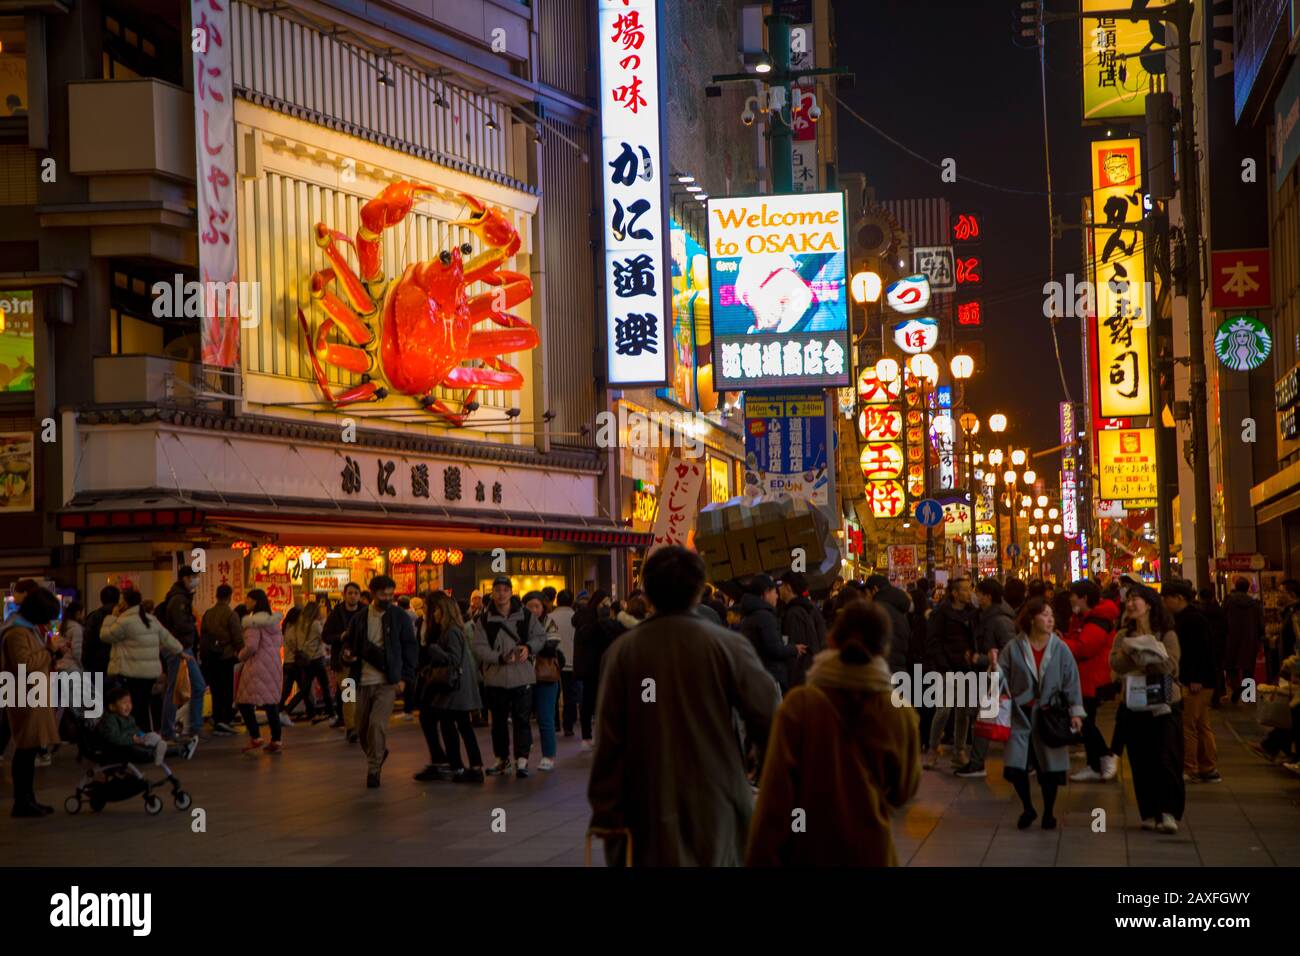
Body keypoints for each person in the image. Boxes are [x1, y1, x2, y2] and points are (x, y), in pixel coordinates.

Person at [588, 546, 779, 866]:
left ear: (647, 593)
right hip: (717, 797)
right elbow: (770, 717)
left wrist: (606, 810)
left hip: (644, 802)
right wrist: (761, 770)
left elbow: (608, 739)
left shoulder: (623, 652)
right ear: (698, 590)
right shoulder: (728, 646)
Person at [747, 600, 921, 865]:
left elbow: (775, 798)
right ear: (884, 648)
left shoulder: (799, 706)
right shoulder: (898, 712)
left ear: (831, 640)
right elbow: (902, 791)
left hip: (808, 850)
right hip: (872, 850)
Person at [996, 597, 1085, 830]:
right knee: (1015, 766)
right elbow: (1000, 676)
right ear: (1031, 619)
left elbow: (1071, 681)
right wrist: (994, 670)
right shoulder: (1014, 647)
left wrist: (1076, 712)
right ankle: (1028, 807)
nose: (1049, 619)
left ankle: (1048, 812)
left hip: (1050, 713)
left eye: (1051, 615)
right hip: (1020, 713)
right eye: (1044, 615)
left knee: (1050, 767)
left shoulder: (1060, 648)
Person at [1110, 584, 1184, 834]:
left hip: (1164, 703)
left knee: (1166, 757)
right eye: (1128, 600)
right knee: (1140, 760)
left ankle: (1169, 812)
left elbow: (1170, 667)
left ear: (1150, 604)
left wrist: (1139, 655)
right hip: (1135, 702)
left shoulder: (1167, 634)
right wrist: (1141, 653)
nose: (1130, 604)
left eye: (1136, 599)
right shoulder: (1122, 634)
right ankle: (1149, 811)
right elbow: (1116, 664)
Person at [343, 575, 418, 787]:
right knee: (361, 728)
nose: (387, 598)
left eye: (390, 594)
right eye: (383, 594)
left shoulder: (399, 617)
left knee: (377, 725)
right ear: (373, 593)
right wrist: (347, 655)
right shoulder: (359, 618)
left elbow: (410, 647)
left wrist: (405, 678)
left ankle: (373, 769)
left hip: (387, 680)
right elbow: (349, 641)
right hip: (361, 680)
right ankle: (378, 752)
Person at [470, 576, 547, 777]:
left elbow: (540, 637)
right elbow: (478, 647)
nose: (501, 594)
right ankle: (501, 759)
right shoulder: (484, 620)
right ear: (492, 593)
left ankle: (522, 760)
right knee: (499, 722)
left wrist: (528, 648)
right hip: (495, 678)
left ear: (511, 592)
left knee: (522, 720)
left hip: (522, 677)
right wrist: (498, 657)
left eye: (505, 590)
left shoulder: (526, 615)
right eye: (498, 590)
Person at [1, 587, 62, 816]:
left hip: (32, 694)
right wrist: (48, 651)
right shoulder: (16, 633)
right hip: (24, 696)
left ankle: (28, 798)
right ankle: (22, 800)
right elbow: (24, 665)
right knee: (25, 749)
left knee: (30, 748)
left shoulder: (27, 630)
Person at [416, 590, 484, 783]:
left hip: (454, 689)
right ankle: (466, 767)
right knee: (458, 727)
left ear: (442, 611)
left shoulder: (451, 631)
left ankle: (463, 767)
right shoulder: (454, 629)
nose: (432, 615)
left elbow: (453, 660)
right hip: (456, 688)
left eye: (435, 611)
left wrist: (435, 651)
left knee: (455, 727)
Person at [953, 578, 1018, 779]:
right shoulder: (984, 616)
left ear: (987, 597)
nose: (975, 595)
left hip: (998, 679)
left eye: (978, 592)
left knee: (1003, 721)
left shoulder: (1000, 620)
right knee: (984, 721)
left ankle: (1023, 762)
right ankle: (977, 762)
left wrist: (980, 658)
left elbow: (1009, 650)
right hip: (987, 677)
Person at [1162, 580, 1220, 783]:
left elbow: (1200, 651)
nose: (1164, 602)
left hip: (1196, 681)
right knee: (1202, 725)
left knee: (1188, 725)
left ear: (1178, 598)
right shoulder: (1189, 617)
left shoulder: (1191, 620)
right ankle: (1208, 767)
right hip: (1204, 680)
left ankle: (1190, 767)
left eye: (1166, 598)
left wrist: (1196, 678)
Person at [1062, 579, 1120, 782]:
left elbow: (1085, 647)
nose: (1070, 598)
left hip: (1091, 677)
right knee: (1084, 721)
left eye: (1073, 595)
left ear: (1084, 598)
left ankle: (1106, 755)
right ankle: (1094, 764)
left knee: (1085, 721)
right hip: (1084, 677)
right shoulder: (1083, 617)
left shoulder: (1097, 619)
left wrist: (1061, 642)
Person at [102, 589, 183, 732]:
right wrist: (180, 651)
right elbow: (167, 638)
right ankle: (147, 736)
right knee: (143, 706)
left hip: (131, 672)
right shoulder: (151, 619)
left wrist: (111, 617)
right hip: (150, 674)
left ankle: (139, 737)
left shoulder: (123, 621)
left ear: (125, 603)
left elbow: (105, 636)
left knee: (133, 708)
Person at [923, 576, 978, 768]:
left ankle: (959, 750)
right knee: (944, 710)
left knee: (963, 712)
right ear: (954, 593)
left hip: (966, 667)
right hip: (946, 668)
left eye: (970, 589)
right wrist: (943, 665)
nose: (969, 592)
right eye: (965, 589)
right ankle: (933, 749)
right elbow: (933, 641)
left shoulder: (972, 613)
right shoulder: (942, 613)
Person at [159, 566, 206, 740]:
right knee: (176, 689)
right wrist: (192, 623)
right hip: (178, 648)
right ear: (185, 578)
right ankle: (172, 729)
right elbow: (180, 624)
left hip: (180, 647)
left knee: (192, 687)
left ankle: (192, 726)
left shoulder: (179, 597)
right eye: (194, 577)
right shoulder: (178, 599)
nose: (196, 580)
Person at [98, 685, 198, 766]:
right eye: (124, 703)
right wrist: (133, 739)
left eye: (130, 702)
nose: (128, 706)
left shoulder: (128, 718)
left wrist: (141, 735)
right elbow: (113, 737)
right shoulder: (110, 720)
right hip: (125, 746)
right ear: (112, 707)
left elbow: (135, 729)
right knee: (150, 743)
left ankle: (164, 746)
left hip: (136, 740)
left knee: (153, 737)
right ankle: (180, 749)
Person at [739, 574, 805, 695]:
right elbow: (774, 649)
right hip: (770, 677)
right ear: (765, 593)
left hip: (756, 675)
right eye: (774, 592)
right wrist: (794, 649)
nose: (777, 596)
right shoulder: (765, 617)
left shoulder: (750, 614)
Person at [237, 589, 285, 754]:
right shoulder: (274, 622)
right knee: (271, 703)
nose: (245, 602)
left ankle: (256, 736)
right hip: (273, 665)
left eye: (248, 599)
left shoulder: (253, 623)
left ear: (255, 602)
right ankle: (276, 739)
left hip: (256, 666)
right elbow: (279, 643)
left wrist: (240, 656)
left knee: (243, 702)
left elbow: (251, 646)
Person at [573, 590, 619, 749]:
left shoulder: (605, 619)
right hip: (591, 666)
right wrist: (600, 622)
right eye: (604, 602)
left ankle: (600, 735)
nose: (606, 605)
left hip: (604, 665)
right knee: (589, 701)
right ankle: (587, 736)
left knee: (602, 701)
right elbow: (583, 639)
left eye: (608, 602)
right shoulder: (586, 619)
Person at [524, 590, 563, 771]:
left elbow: (550, 647)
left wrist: (529, 646)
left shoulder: (549, 622)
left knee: (545, 717)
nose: (534, 610)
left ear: (543, 607)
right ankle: (522, 753)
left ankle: (548, 755)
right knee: (522, 717)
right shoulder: (520, 624)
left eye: (537, 606)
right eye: (530, 606)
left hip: (545, 677)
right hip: (523, 677)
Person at [322, 582, 365, 739]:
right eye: (350, 593)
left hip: (363, 660)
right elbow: (325, 636)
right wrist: (340, 636)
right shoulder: (336, 613)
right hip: (343, 661)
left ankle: (359, 725)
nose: (353, 596)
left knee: (361, 695)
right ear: (344, 595)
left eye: (356, 593)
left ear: (359, 595)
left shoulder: (365, 612)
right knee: (349, 694)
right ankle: (351, 727)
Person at [200, 584, 244, 735]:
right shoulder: (231, 615)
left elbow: (203, 635)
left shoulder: (208, 614)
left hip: (211, 659)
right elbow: (238, 639)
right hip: (226, 657)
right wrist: (242, 653)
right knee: (227, 691)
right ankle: (223, 721)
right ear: (229, 597)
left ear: (216, 596)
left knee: (216, 690)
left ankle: (217, 718)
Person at [285, 600, 334, 723]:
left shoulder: (300, 624)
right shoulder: (315, 624)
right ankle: (332, 713)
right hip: (317, 658)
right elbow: (324, 638)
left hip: (305, 660)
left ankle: (286, 710)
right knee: (325, 686)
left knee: (305, 688)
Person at [778, 573, 825, 688]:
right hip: (809, 672)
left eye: (781, 585)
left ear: (788, 587)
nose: (779, 589)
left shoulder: (794, 613)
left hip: (801, 677)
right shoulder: (807, 608)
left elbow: (798, 648)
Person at [1222, 577, 1262, 705]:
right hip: (1250, 638)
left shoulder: (1229, 601)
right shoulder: (1254, 604)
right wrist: (1259, 636)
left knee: (1230, 666)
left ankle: (1236, 686)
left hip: (1231, 638)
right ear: (1247, 588)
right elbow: (1260, 623)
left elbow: (1223, 618)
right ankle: (1248, 696)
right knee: (1248, 668)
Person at [864, 574, 911, 674]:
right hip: (900, 670)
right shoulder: (899, 610)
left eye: (867, 593)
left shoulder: (877, 610)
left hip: (883, 671)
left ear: (875, 590)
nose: (866, 597)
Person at [551, 589, 580, 738]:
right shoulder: (576, 617)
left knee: (553, 694)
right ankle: (568, 725)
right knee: (570, 695)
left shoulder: (550, 617)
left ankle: (555, 723)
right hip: (571, 661)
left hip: (553, 662)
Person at [1197, 585, 1230, 709]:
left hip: (1205, 645)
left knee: (1207, 670)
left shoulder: (1199, 612)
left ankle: (1211, 697)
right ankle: (1219, 695)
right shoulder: (1220, 611)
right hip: (1219, 645)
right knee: (1218, 670)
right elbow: (1226, 628)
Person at [79, 585, 119, 679]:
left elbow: (87, 641)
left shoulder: (93, 617)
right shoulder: (124, 616)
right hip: (117, 665)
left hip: (95, 664)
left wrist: (85, 662)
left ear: (102, 599)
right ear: (118, 599)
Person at [56, 601, 85, 672]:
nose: (83, 615)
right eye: (83, 613)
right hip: (72, 666)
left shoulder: (63, 626)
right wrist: (82, 665)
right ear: (78, 613)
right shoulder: (77, 628)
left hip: (60, 664)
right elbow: (77, 651)